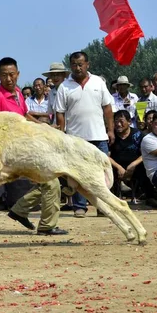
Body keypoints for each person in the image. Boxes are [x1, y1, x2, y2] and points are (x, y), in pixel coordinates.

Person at [0, 57, 67, 235]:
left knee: (48, 180)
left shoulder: (17, 92)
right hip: (13, 150)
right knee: (51, 180)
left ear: (17, 74)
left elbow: (25, 115)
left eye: (11, 74)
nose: (9, 79)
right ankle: (47, 225)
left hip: (25, 146)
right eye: (4, 75)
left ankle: (19, 210)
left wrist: (44, 126)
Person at [55, 51, 114, 217]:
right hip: (75, 138)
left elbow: (107, 108)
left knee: (102, 173)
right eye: (74, 64)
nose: (77, 67)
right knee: (78, 174)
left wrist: (110, 130)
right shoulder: (64, 87)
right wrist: (62, 134)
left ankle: (103, 206)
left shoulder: (98, 82)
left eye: (80, 64)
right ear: (70, 66)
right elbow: (60, 112)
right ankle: (80, 206)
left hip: (99, 135)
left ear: (87, 64)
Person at [108, 110, 151, 204]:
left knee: (146, 166)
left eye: (121, 121)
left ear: (129, 122)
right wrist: (118, 167)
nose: (118, 124)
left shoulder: (139, 135)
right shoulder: (111, 135)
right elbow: (106, 155)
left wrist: (133, 164)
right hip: (116, 167)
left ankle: (150, 196)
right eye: (116, 122)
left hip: (135, 166)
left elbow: (146, 153)